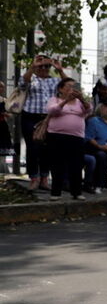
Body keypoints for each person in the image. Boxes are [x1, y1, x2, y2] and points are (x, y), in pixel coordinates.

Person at [18, 54, 68, 190]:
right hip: (30, 116)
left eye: (47, 66)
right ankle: (34, 177)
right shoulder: (30, 77)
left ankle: (44, 178)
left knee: (47, 148)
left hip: (48, 118)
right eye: (41, 65)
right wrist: (32, 66)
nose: (44, 68)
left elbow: (69, 87)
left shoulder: (54, 81)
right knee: (33, 148)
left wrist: (60, 70)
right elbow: (23, 84)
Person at [45, 78, 92, 201]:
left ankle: (76, 192)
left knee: (76, 165)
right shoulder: (54, 100)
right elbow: (52, 111)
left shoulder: (80, 103)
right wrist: (65, 101)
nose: (72, 89)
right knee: (57, 165)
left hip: (76, 137)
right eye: (69, 86)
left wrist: (81, 98)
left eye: (74, 86)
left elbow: (89, 110)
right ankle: (56, 192)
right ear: (61, 88)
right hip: (56, 136)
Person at [0, 83, 13, 173]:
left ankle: (2, 168)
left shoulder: (5, 100)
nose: (1, 89)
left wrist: (6, 114)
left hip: (2, 126)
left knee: (3, 148)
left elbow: (12, 113)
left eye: (2, 87)